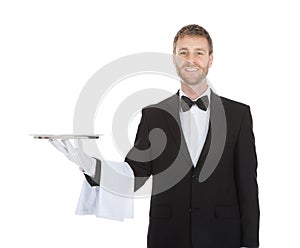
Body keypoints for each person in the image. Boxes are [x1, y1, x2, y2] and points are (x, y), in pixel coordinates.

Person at [50, 24, 259, 248]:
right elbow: (135, 175)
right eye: (183, 52)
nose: (191, 59)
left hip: (223, 237)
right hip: (168, 236)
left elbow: (247, 185)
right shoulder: (154, 115)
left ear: (210, 59)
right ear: (174, 59)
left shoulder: (238, 115)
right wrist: (91, 166)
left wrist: (249, 243)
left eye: (199, 52)